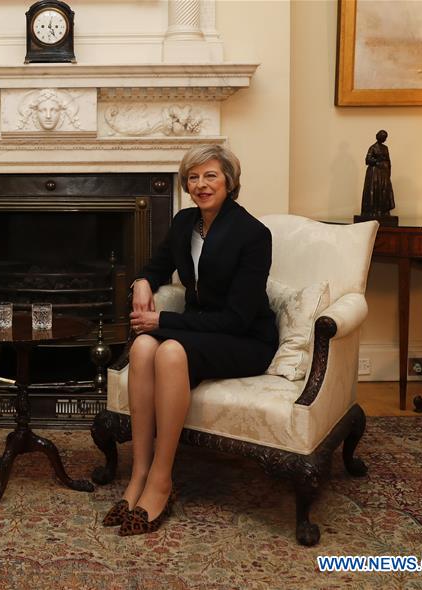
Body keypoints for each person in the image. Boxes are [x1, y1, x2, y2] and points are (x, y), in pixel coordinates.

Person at [104, 144, 278, 536]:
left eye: (210, 175)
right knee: (144, 345)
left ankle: (163, 479)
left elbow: (237, 319)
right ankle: (140, 472)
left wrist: (162, 319)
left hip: (245, 339)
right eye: (193, 178)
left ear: (229, 181)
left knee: (166, 350)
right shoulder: (186, 223)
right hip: (201, 330)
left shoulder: (253, 234)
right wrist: (142, 282)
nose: (201, 185)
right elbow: (157, 265)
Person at [360, 130, 395, 217]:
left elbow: (388, 160)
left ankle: (383, 210)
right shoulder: (373, 147)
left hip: (384, 173)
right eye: (382, 136)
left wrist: (388, 172)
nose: (384, 139)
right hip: (374, 173)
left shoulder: (385, 148)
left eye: (385, 137)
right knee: (375, 190)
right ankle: (373, 210)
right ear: (378, 136)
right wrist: (377, 162)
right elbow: (367, 160)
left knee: (384, 191)